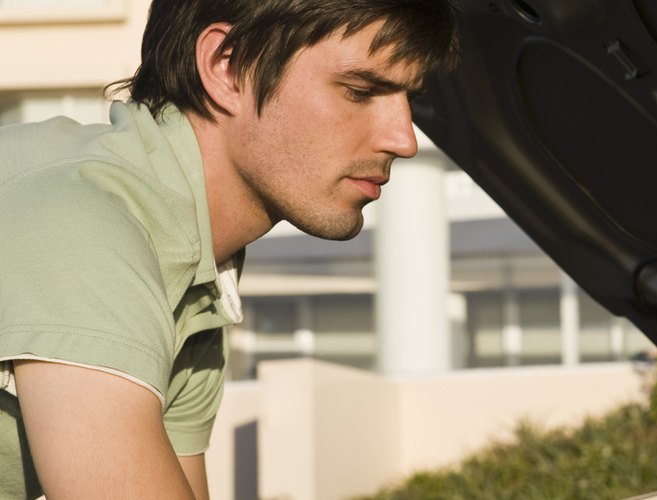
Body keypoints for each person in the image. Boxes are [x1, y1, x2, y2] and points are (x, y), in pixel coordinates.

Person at [0, 0, 459, 498]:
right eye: (360, 90)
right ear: (227, 66)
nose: (404, 138)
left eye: (408, 97)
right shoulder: (81, 219)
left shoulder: (195, 273)